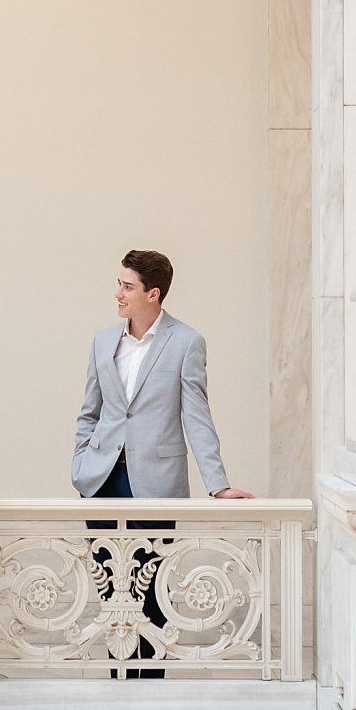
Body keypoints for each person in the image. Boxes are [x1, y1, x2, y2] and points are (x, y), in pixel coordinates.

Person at [71, 250, 252, 677]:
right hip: (101, 478)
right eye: (119, 283)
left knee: (149, 589)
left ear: (153, 294)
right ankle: (119, 675)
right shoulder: (102, 342)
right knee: (109, 587)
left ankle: (148, 681)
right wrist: (80, 463)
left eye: (127, 286)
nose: (118, 293)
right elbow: (89, 412)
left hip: (155, 480)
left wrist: (218, 483)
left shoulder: (186, 342)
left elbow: (197, 416)